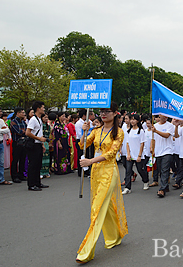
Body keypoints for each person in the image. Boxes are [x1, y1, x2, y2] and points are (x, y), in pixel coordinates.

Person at [76, 102, 127, 264]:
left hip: (109, 172)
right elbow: (83, 144)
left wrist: (90, 160)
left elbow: (112, 153)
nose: (103, 114)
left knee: (96, 208)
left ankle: (86, 251)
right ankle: (114, 237)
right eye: (101, 111)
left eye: (107, 111)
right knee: (108, 207)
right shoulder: (96, 130)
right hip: (96, 172)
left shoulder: (118, 132)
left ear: (115, 113)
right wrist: (84, 132)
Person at [122, 114, 148, 195]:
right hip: (130, 154)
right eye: (131, 119)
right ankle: (127, 187)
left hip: (138, 155)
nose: (132, 121)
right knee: (128, 171)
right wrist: (128, 154)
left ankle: (145, 181)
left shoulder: (141, 131)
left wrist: (139, 155)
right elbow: (127, 143)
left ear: (137, 121)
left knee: (140, 170)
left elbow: (142, 144)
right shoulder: (129, 131)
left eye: (134, 119)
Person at [25, 101, 48, 191]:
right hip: (33, 145)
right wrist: (39, 139)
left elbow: (39, 133)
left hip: (38, 144)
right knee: (33, 165)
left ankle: (37, 182)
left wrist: (42, 144)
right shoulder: (33, 119)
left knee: (38, 164)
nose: (44, 109)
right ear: (38, 108)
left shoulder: (39, 119)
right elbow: (28, 132)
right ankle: (31, 184)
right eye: (42, 107)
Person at [151, 115, 175, 198]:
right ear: (159, 115)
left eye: (166, 115)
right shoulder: (155, 126)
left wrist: (156, 131)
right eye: (163, 115)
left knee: (164, 169)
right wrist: (152, 149)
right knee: (161, 170)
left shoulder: (170, 126)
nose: (165, 117)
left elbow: (167, 135)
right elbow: (153, 139)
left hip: (167, 151)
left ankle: (162, 189)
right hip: (158, 151)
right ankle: (166, 186)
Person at [10, 107, 28, 183]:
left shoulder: (23, 122)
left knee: (22, 159)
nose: (24, 114)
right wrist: (24, 131)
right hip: (16, 142)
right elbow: (18, 131)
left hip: (24, 142)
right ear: (18, 113)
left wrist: (24, 132)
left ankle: (21, 174)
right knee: (15, 159)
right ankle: (14, 176)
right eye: (22, 113)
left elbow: (27, 131)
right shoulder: (13, 122)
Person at [40, 113, 52, 178]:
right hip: (41, 141)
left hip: (46, 142)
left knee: (47, 158)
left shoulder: (48, 126)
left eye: (47, 117)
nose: (46, 119)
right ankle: (41, 172)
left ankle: (46, 172)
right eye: (45, 117)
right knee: (42, 157)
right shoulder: (40, 125)